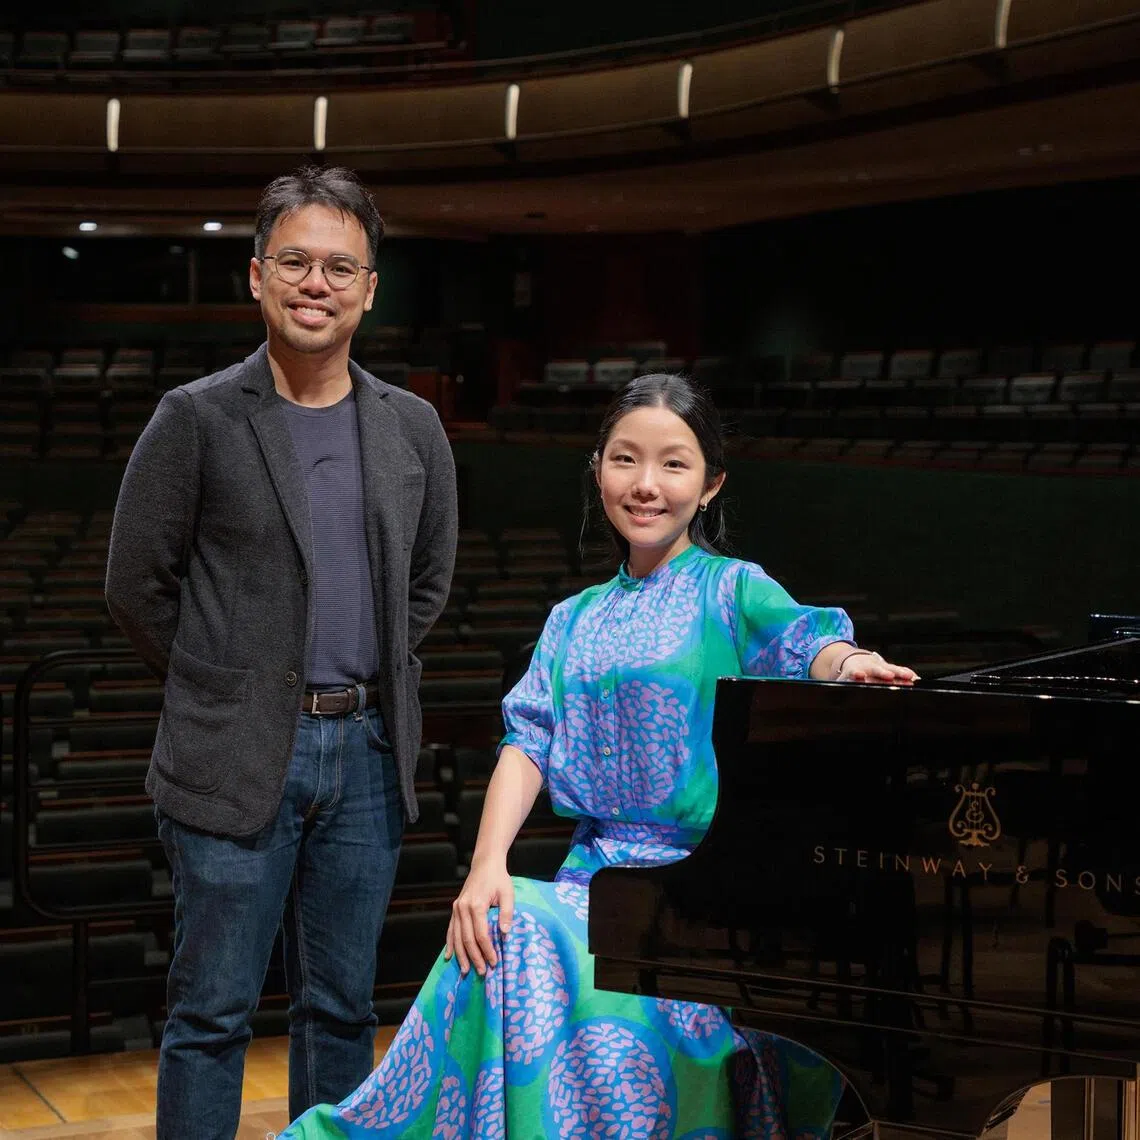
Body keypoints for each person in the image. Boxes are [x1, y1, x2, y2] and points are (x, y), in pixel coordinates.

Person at [278, 372, 916, 1140]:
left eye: (673, 464)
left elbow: (805, 641)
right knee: (501, 922)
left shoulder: (731, 589)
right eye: (625, 460)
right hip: (596, 887)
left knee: (524, 941)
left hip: (708, 896)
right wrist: (484, 869)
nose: (646, 484)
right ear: (598, 470)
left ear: (711, 484)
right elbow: (529, 742)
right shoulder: (570, 618)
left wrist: (850, 663)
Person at [104, 165, 457, 1140]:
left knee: (343, 1010)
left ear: (370, 287)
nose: (317, 282)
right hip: (235, 757)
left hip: (370, 764)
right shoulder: (197, 418)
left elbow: (427, 584)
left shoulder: (413, 427)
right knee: (211, 1015)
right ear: (257, 276)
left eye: (340, 266)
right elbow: (135, 586)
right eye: (295, 261)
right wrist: (231, 683)